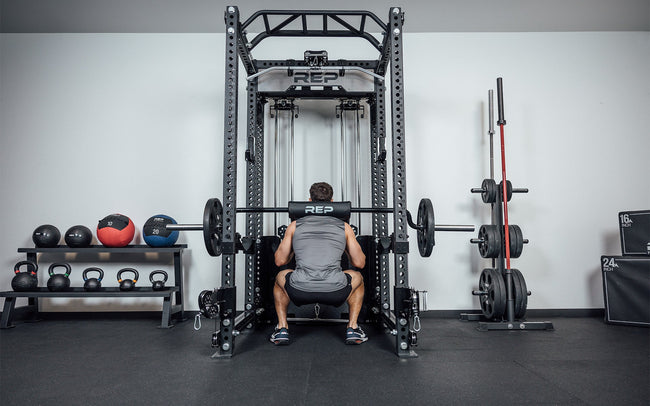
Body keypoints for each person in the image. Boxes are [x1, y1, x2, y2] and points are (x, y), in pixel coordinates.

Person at [271, 182, 367, 345]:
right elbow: (359, 263)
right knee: (358, 277)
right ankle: (353, 328)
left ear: (309, 201)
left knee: (280, 277)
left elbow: (280, 261)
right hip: (336, 291)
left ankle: (282, 329)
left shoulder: (294, 226)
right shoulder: (345, 227)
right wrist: (343, 247)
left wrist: (295, 248)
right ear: (332, 202)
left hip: (299, 290)